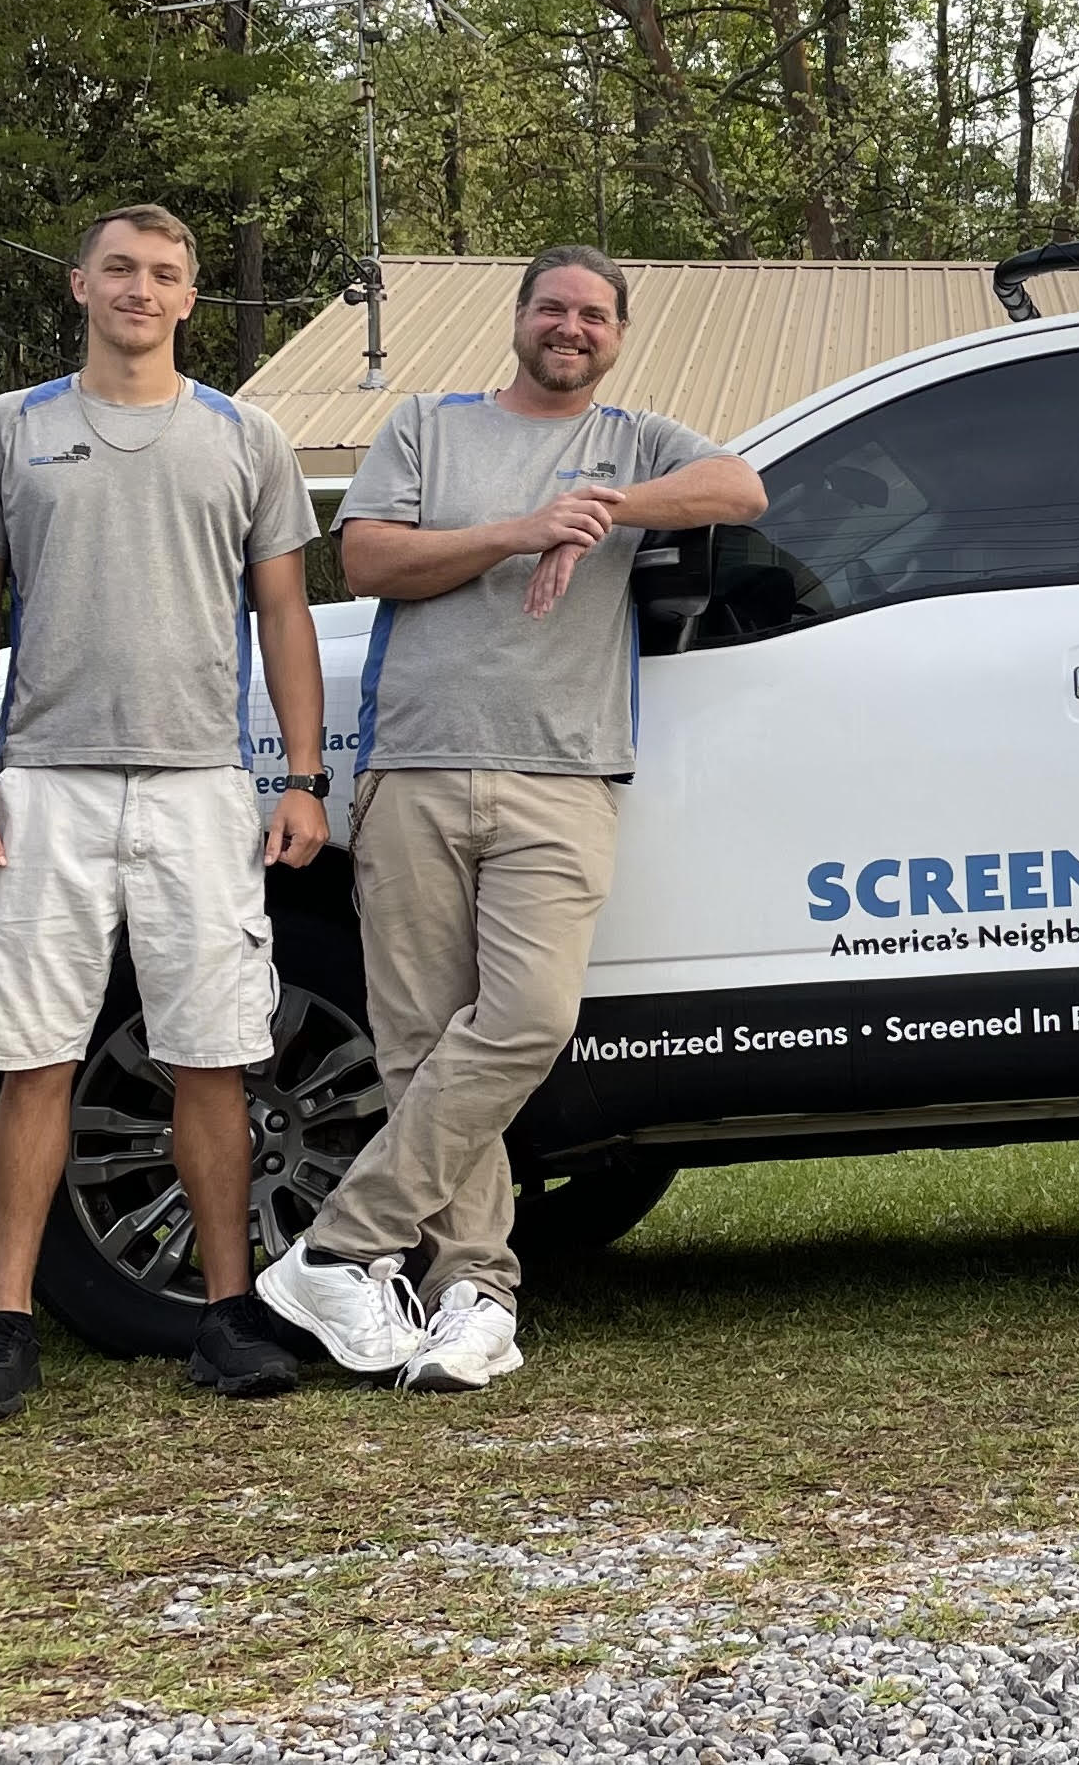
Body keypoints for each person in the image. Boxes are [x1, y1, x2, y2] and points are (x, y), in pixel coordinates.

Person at [257, 246, 763, 1391]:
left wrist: (603, 509)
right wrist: (520, 531)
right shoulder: (429, 427)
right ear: (518, 319)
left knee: (525, 1022)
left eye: (593, 314)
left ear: (617, 335)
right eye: (552, 308)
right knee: (427, 1047)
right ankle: (475, 1295)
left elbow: (741, 488)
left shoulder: (635, 441)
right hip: (417, 772)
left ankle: (338, 1247)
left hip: (564, 776)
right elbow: (369, 556)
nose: (571, 327)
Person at [0, 205, 330, 1418]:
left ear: (191, 297)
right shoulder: (13, 430)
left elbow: (287, 619)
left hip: (200, 784)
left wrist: (301, 777)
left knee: (212, 1051)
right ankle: (3, 1324)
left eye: (164, 275)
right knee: (33, 1052)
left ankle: (228, 1312)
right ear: (79, 285)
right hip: (45, 781)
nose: (140, 291)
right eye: (120, 271)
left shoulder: (245, 436)